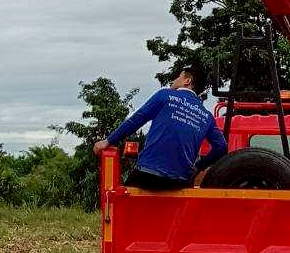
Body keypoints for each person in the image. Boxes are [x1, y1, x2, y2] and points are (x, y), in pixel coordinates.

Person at [93, 62, 228, 189]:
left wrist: (108, 141)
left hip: (148, 174)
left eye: (178, 77)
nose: (173, 80)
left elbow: (136, 120)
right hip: (179, 181)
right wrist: (198, 167)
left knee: (125, 202)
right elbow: (221, 147)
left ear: (187, 81)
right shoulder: (207, 116)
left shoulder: (165, 95)